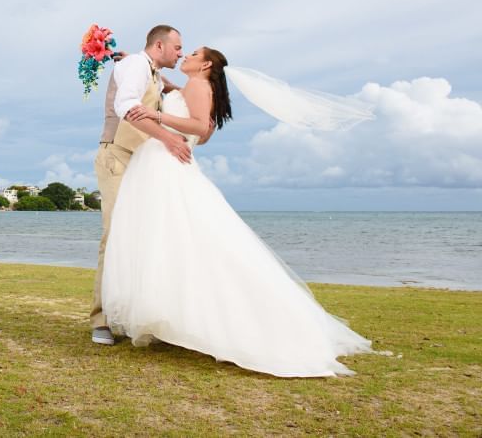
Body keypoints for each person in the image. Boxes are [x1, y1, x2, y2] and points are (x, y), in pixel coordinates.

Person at [101, 47, 373, 377]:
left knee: (180, 237)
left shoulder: (200, 87)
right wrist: (142, 65)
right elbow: (176, 97)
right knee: (171, 239)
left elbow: (201, 127)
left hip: (166, 162)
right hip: (158, 162)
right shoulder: (192, 86)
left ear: (205, 65)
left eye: (194, 53)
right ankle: (172, 315)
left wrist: (156, 117)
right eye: (181, 49)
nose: (186, 53)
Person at [90, 24, 193, 346]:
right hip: (117, 156)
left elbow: (163, 91)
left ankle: (133, 313)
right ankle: (101, 320)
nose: (181, 53)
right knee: (115, 234)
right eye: (177, 48)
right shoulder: (136, 64)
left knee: (144, 238)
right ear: (159, 45)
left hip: (142, 164)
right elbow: (127, 106)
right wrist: (170, 140)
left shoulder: (147, 70)